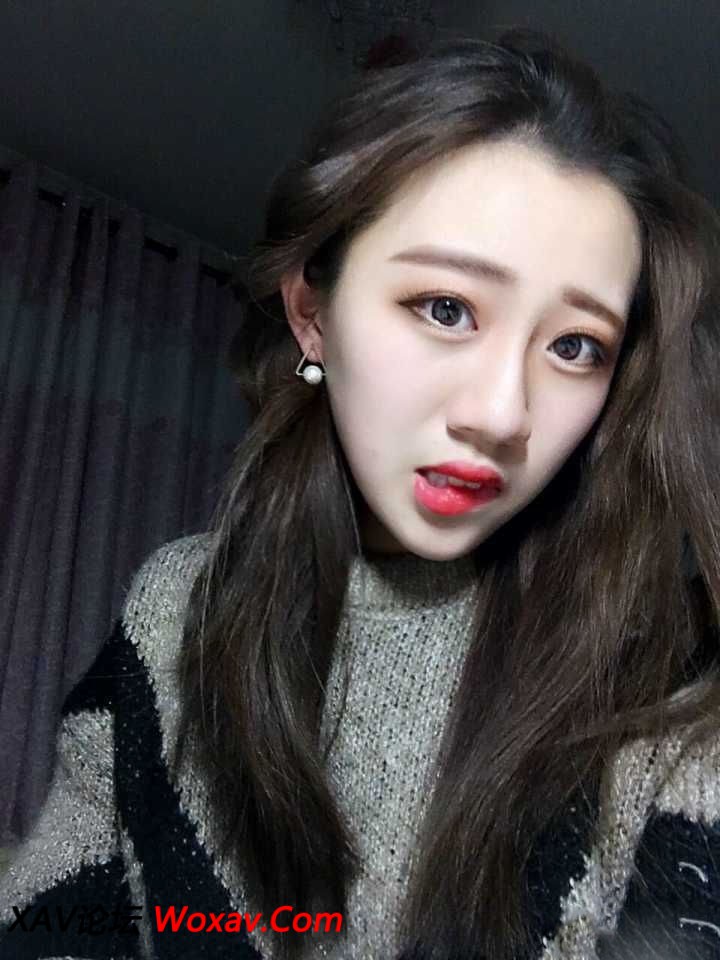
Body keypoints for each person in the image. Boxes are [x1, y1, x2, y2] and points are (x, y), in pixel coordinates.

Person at [2, 25, 719, 960]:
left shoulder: (669, 668)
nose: (502, 415)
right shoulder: (176, 612)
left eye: (575, 346)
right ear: (313, 316)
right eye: (446, 308)